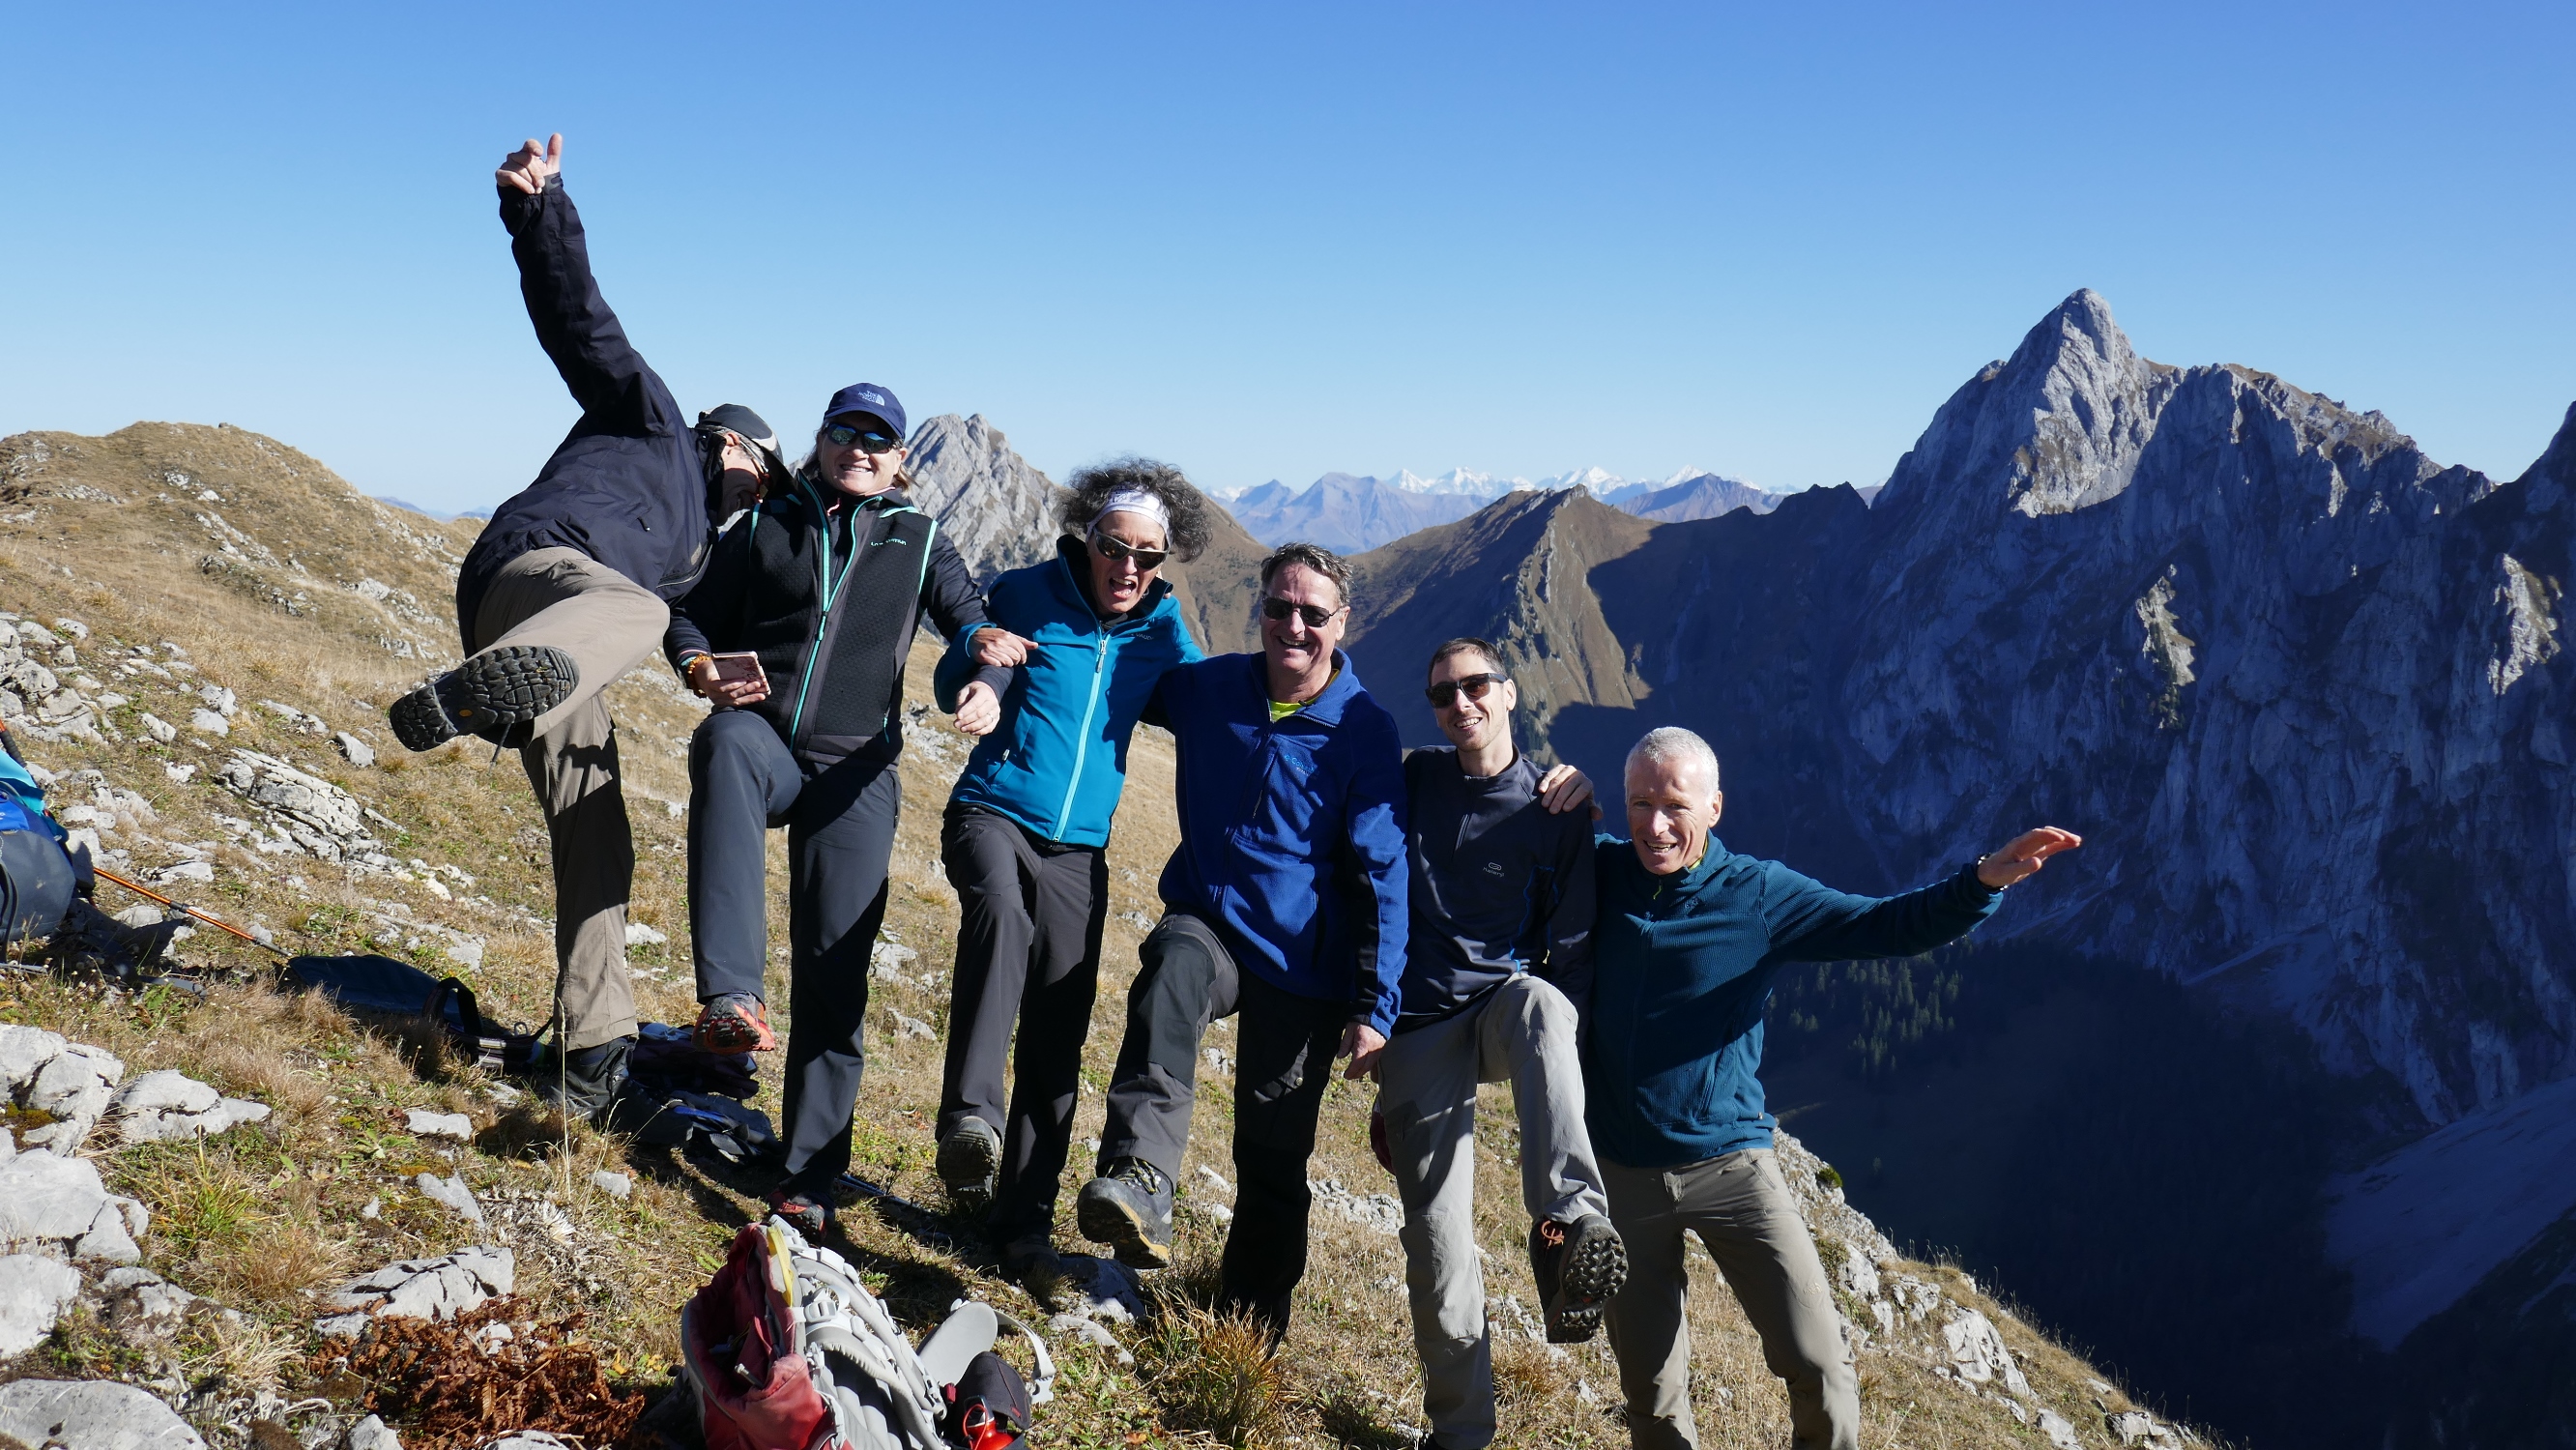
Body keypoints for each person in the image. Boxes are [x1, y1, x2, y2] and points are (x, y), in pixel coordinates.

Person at [391, 132, 787, 1119]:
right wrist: (539, 210)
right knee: (636, 605)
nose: (761, 490)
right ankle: (481, 692)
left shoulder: (699, 552)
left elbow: (683, 623)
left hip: (567, 654)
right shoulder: (652, 420)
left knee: (597, 825)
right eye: (762, 471)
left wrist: (699, 670)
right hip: (535, 573)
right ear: (728, 441)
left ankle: (591, 1049)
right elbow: (581, 322)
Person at [1590, 727, 2080, 1450]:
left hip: (1730, 1167)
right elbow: (1494, 850)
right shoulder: (1594, 871)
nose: (1654, 825)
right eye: (1638, 803)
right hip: (1619, 1173)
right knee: (1649, 1386)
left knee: (1818, 1362)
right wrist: (1552, 789)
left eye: (1673, 804)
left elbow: (1879, 925)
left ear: (1715, 807)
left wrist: (1980, 882)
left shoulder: (1757, 895)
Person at [662, 384, 1004, 1235]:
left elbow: (971, 622)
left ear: (899, 460)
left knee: (835, 971)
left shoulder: (919, 539)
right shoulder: (767, 521)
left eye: (878, 438)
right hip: (769, 744)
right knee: (725, 743)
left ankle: (809, 1176)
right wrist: (697, 665)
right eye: (846, 431)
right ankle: (732, 1001)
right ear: (820, 441)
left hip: (857, 773)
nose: (860, 446)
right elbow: (688, 615)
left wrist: (987, 675)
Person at [1074, 541, 1405, 1340]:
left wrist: (1376, 1009)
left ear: (1341, 622)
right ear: (1259, 607)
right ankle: (1140, 1176)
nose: (1293, 625)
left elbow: (1383, 874)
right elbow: (1117, 660)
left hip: (1305, 968)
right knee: (1171, 967)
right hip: (1213, 926)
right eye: (1277, 607)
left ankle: (1247, 1328)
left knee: (1271, 1152)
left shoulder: (1362, 730)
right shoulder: (1210, 687)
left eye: (1312, 614)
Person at [924, 460, 1210, 1279]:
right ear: (1087, 540)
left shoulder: (1161, 632)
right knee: (1000, 917)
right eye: (1114, 547)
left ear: (1162, 561)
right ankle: (969, 1124)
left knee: (1060, 1021)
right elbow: (970, 658)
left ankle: (1021, 1226)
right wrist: (972, 679)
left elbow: (1208, 703)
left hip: (1079, 850)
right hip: (992, 811)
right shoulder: (1025, 591)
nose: (1128, 567)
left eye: (1146, 556)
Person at [1377, 638, 1623, 1450]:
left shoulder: (1554, 810)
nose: (1461, 705)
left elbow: (1576, 950)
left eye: (1475, 686)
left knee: (1544, 1004)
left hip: (1496, 1012)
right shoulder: (1414, 779)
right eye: (1443, 695)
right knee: (1437, 1242)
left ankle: (1570, 1224)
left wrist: (1566, 1076)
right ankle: (1460, 1432)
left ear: (1510, 693)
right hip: (1417, 1026)